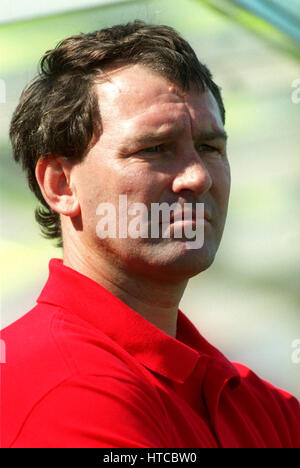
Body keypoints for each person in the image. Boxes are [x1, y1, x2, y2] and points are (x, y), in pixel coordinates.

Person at [1, 20, 299, 449]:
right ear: (61, 185)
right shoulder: (60, 383)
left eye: (211, 148)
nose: (197, 177)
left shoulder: (260, 404)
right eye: (154, 148)